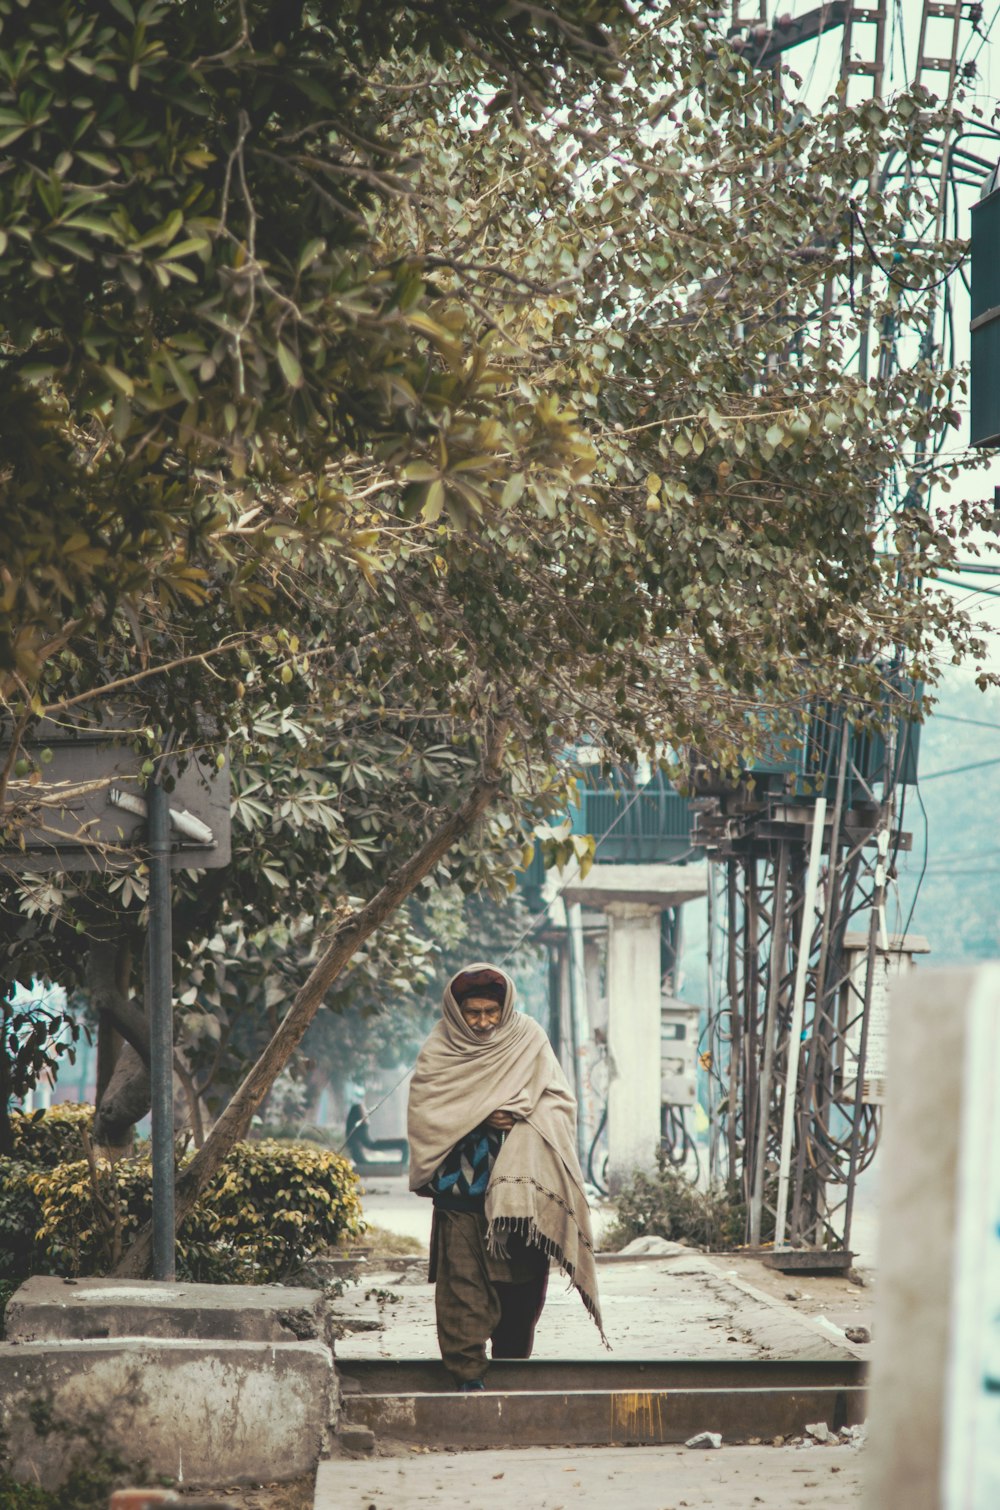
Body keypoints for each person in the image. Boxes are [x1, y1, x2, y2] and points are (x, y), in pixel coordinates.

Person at [407, 962, 606, 1390]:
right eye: (472, 1013)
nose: (481, 1022)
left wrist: (518, 1115)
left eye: (490, 1012)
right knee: (463, 1288)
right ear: (457, 1011)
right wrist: (478, 1117)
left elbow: (558, 1103)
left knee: (522, 1291)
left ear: (505, 1007)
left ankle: (513, 1374)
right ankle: (466, 1377)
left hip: (521, 1201)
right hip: (460, 1194)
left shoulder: (529, 1039)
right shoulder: (439, 1049)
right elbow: (428, 1114)